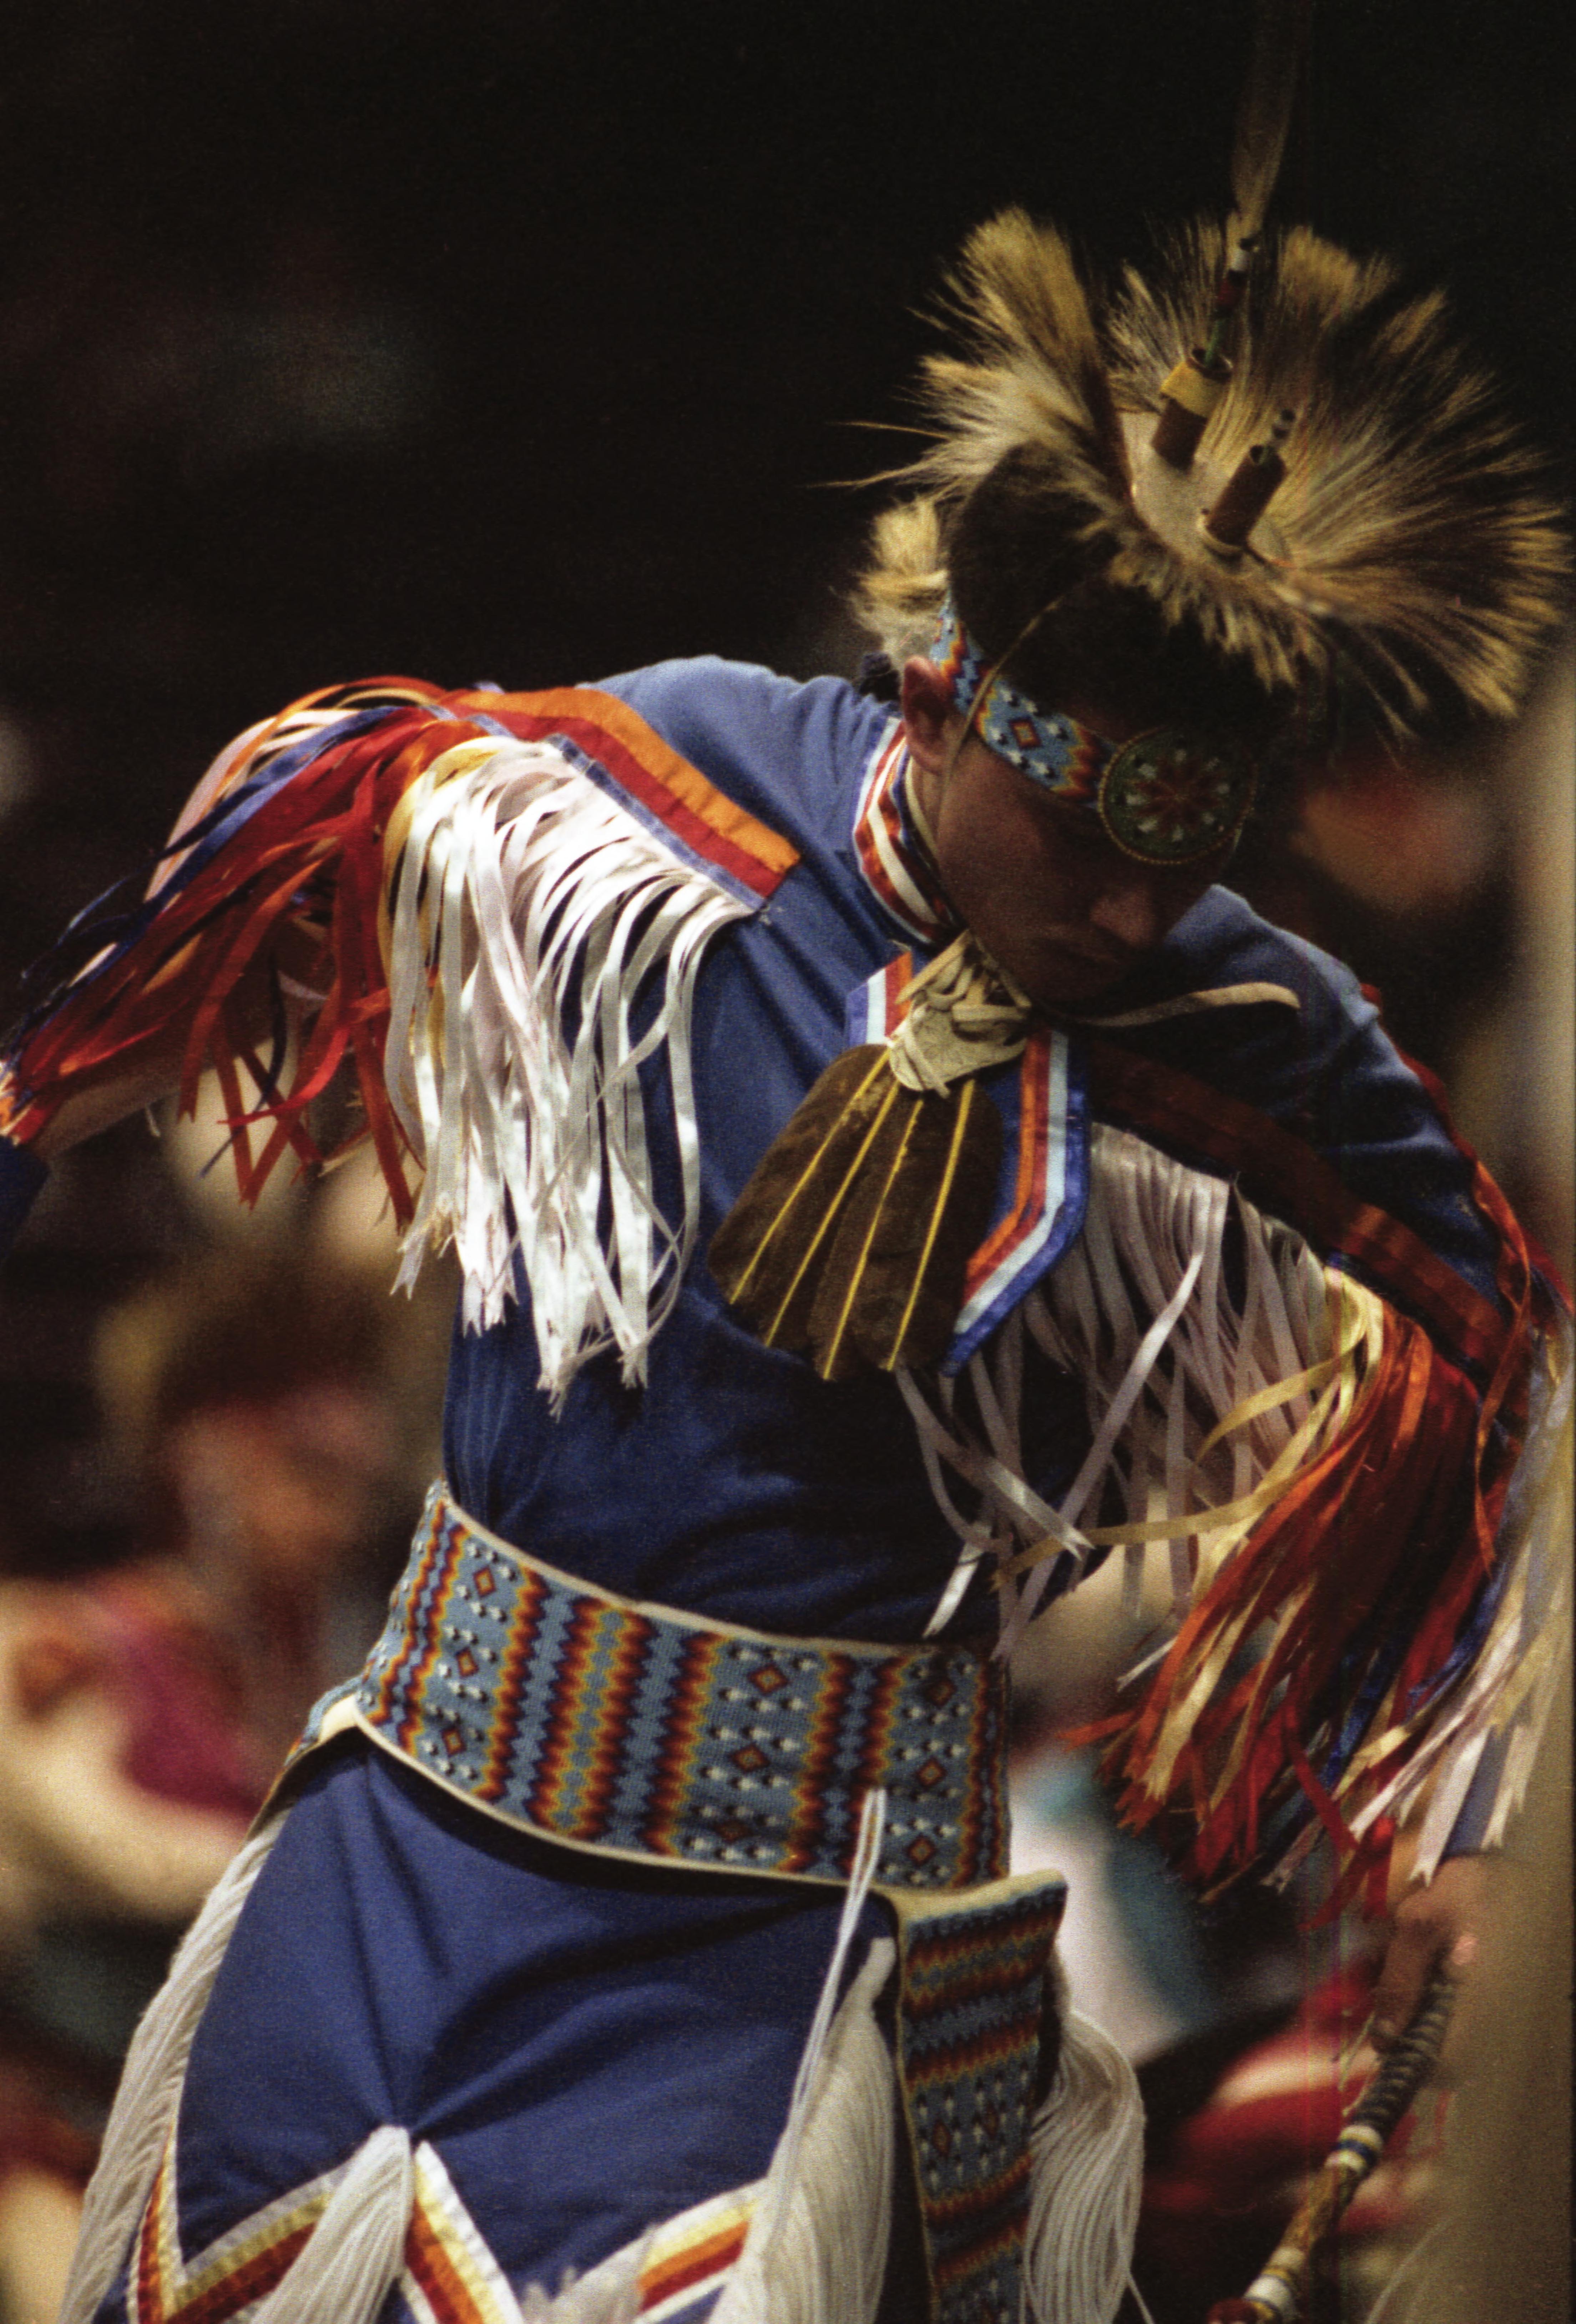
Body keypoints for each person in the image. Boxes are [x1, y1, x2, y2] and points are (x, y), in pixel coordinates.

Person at [0, 209, 1565, 2324]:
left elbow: (1496, 1339)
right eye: (1078, 842)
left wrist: (1465, 1818)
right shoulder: (667, 790)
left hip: (801, 1957)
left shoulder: (1245, 1027)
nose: (1121, 919)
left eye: (1177, 865)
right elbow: (311, 813)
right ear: (944, 695)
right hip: (409, 1851)